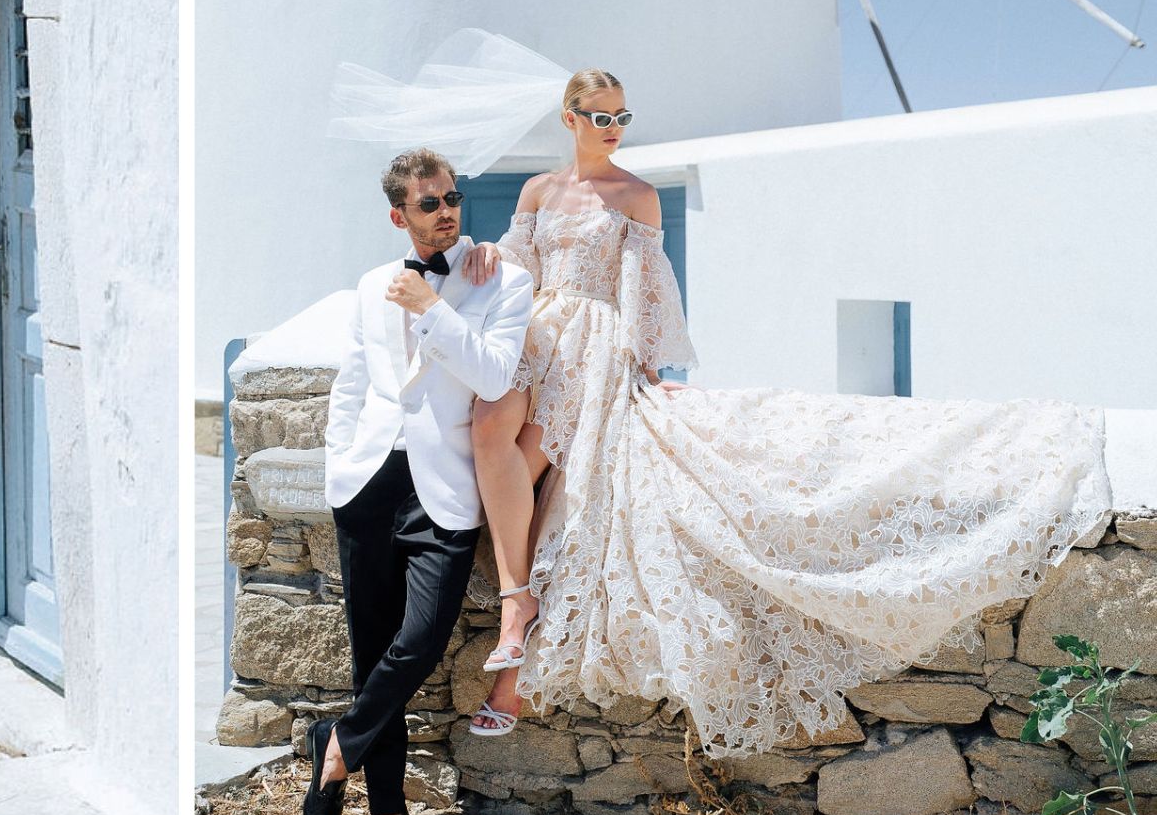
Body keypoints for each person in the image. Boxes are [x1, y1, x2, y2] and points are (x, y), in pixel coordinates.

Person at [457, 67, 1110, 756]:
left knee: (555, 478)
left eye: (623, 116)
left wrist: (643, 374)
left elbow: (641, 297)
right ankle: (516, 609)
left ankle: (514, 625)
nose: (614, 129)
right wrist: (480, 259)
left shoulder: (640, 196)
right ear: (570, 119)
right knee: (505, 458)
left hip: (595, 349)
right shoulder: (537, 190)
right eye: (600, 117)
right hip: (538, 336)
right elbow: (519, 265)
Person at [303, 148, 535, 815]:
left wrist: (432, 309)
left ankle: (335, 745)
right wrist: (341, 473)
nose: (445, 212)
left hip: (443, 491)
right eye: (428, 203)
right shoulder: (372, 285)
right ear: (399, 214)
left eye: (452, 199)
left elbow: (496, 376)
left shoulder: (501, 278)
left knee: (423, 638)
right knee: (372, 655)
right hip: (369, 485)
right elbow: (355, 380)